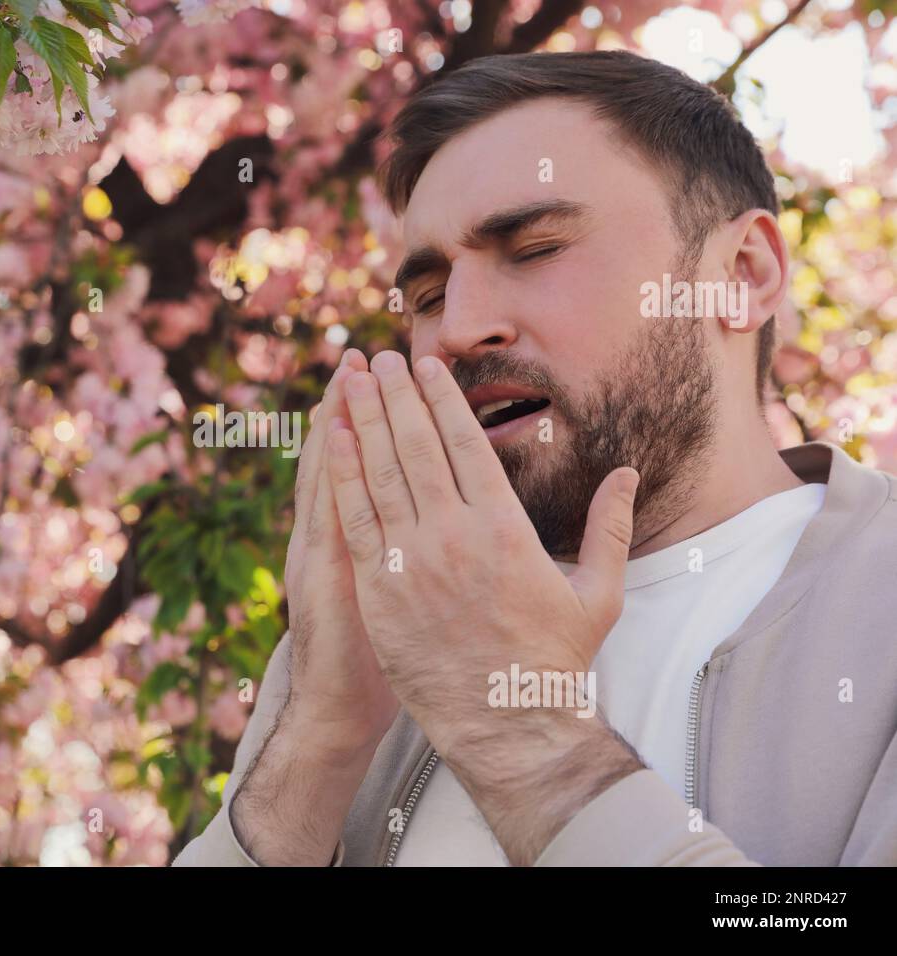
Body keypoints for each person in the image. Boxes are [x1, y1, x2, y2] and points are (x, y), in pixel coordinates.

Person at [173, 51, 897, 867]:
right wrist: (317, 742)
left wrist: (521, 729)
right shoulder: (390, 613)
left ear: (741, 275)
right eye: (427, 296)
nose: (456, 329)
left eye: (536, 247)